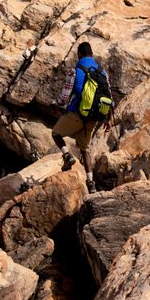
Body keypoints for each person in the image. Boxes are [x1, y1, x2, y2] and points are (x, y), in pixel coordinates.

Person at [53, 42, 103, 191]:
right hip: (94, 116)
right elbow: (108, 95)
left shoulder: (75, 71)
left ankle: (67, 155)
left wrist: (57, 103)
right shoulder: (101, 71)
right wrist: (106, 119)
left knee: (56, 133)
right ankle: (91, 183)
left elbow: (65, 96)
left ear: (80, 54)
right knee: (84, 149)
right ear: (92, 54)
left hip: (78, 114)